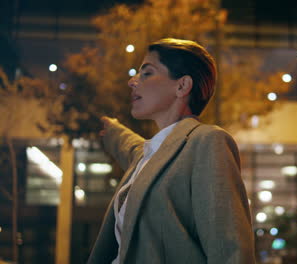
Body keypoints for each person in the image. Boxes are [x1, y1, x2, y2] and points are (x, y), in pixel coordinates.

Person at [87, 38, 255, 264]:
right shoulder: (148, 156)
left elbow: (229, 250)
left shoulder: (207, 141)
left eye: (147, 73)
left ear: (182, 86)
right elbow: (134, 148)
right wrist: (112, 130)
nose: (132, 81)